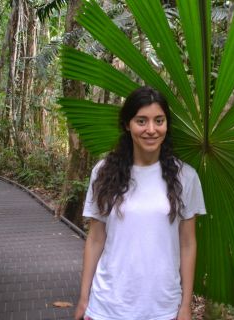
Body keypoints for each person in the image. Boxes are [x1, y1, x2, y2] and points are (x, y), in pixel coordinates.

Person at [74, 86, 206, 320]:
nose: (151, 130)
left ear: (167, 124)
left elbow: (187, 244)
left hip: (162, 308)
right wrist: (84, 299)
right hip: (108, 306)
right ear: (127, 124)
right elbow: (95, 239)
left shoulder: (186, 177)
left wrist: (185, 305)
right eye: (141, 121)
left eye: (159, 120)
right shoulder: (103, 172)